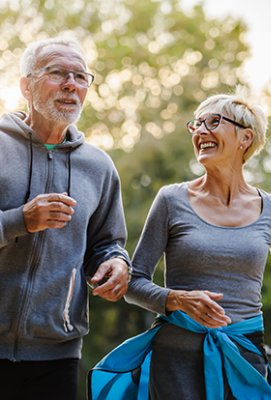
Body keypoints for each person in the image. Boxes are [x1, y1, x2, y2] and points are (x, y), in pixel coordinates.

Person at [89, 91, 271, 400]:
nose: (201, 131)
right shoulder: (171, 200)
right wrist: (177, 299)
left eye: (213, 122)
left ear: (245, 137)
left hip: (244, 357)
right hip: (175, 360)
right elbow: (133, 282)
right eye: (196, 124)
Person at [0, 36, 131, 400]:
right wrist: (19, 221)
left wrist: (116, 265)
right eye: (58, 73)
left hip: (56, 354)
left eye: (81, 76)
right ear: (26, 84)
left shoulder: (99, 166)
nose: (71, 85)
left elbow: (107, 244)